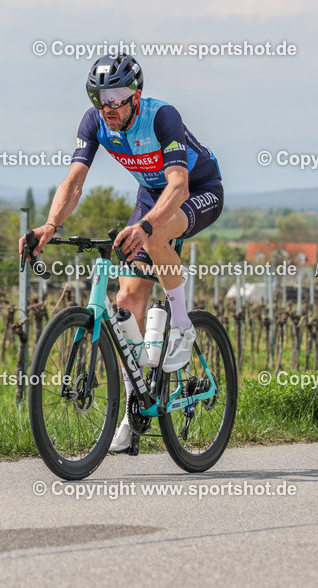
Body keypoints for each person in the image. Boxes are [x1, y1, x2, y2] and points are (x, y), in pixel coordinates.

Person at [18, 54, 223, 452]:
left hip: (199, 189)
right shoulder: (95, 123)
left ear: (135, 95)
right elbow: (74, 181)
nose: (107, 106)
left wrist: (147, 226)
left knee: (154, 237)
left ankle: (182, 324)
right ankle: (135, 407)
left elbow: (178, 183)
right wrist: (50, 225)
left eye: (116, 96)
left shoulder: (162, 116)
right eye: (99, 97)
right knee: (127, 300)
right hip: (151, 195)